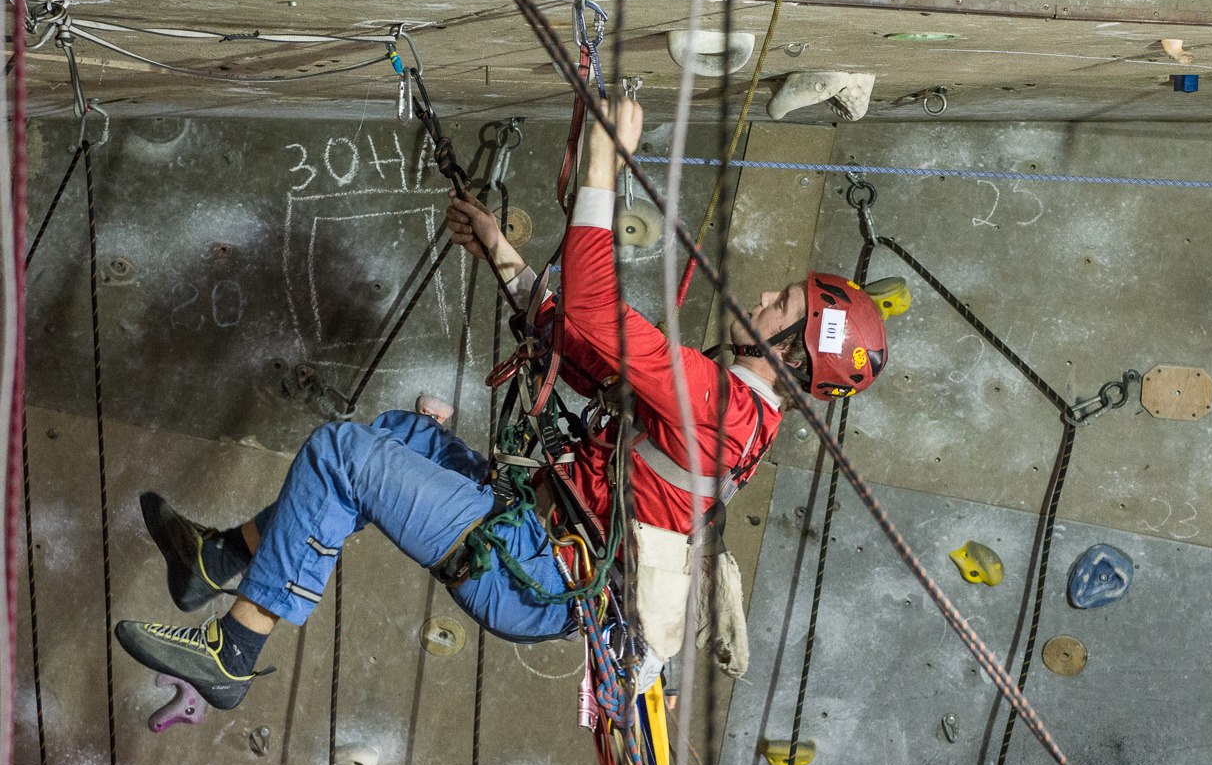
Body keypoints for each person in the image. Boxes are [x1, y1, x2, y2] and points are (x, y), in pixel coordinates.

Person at [113, 98, 889, 710]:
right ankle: (216, 559)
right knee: (397, 434)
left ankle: (232, 654)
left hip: (529, 568)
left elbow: (590, 309)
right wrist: (501, 249)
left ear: (796, 352)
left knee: (339, 457)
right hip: (537, 536)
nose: (760, 297)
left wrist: (602, 168)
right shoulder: (739, 409)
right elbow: (589, 360)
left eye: (782, 303)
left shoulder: (720, 404)